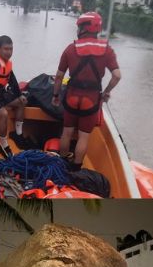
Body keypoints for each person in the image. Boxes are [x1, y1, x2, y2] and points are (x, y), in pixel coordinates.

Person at [51, 12, 121, 170]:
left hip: (71, 97)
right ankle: (75, 169)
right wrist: (106, 92)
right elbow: (117, 76)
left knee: (67, 132)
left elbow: (58, 77)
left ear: (83, 28)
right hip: (91, 100)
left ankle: (61, 164)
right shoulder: (107, 50)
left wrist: (55, 95)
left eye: (79, 26)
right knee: (84, 136)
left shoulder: (71, 48)